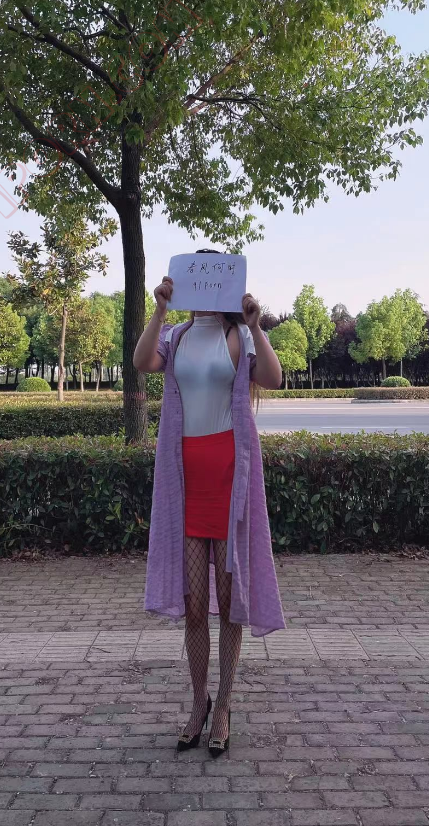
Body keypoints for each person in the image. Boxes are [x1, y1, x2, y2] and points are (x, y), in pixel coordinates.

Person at [134, 258, 286, 758]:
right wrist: (159, 309)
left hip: (228, 475)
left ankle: (224, 705)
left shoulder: (236, 335)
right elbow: (141, 362)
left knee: (228, 596)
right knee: (195, 601)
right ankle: (198, 701)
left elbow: (274, 378)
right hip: (185, 478)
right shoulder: (175, 336)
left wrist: (255, 324)